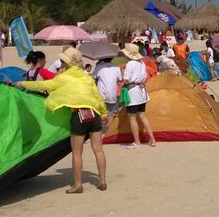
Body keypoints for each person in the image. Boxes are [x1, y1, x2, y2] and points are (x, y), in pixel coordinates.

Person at [15, 47, 108, 193]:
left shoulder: (63, 78)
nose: (62, 64)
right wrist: (104, 113)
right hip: (94, 114)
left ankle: (77, 185)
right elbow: (98, 97)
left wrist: (22, 84)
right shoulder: (87, 78)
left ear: (67, 63)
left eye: (63, 62)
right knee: (98, 150)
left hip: (78, 115)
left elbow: (43, 85)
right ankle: (102, 181)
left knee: (77, 153)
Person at [121, 44, 156, 149]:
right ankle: (152, 139)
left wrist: (122, 75)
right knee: (142, 116)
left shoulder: (130, 64)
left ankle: (137, 142)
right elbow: (145, 77)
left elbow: (126, 79)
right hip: (141, 91)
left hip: (133, 92)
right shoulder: (141, 63)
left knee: (132, 118)